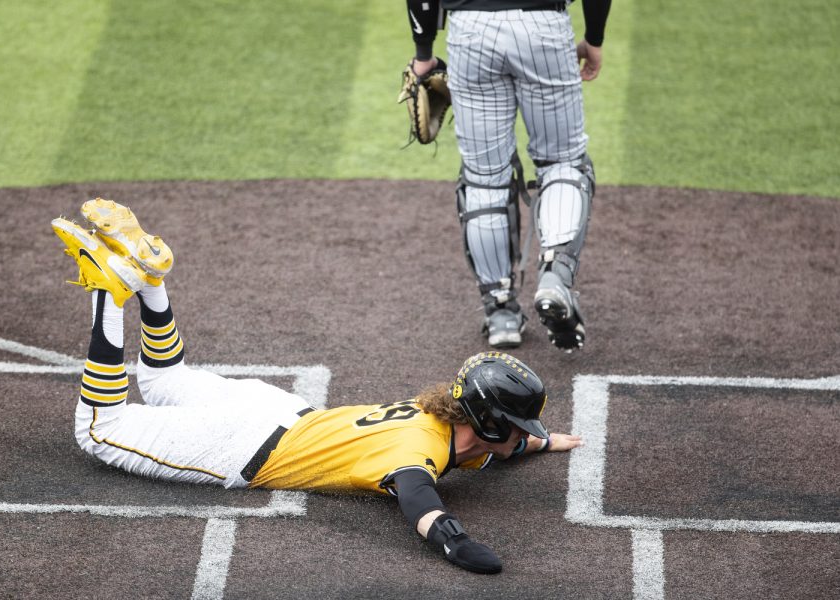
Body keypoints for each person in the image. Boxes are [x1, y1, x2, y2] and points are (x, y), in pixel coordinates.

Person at [51, 199, 584, 574]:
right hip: (240, 445)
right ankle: (107, 290)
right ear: (488, 423)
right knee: (98, 428)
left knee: (164, 380)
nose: (520, 436)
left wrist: (543, 440)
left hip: (269, 409)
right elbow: (424, 509)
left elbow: (495, 450)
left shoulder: (445, 419)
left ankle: (151, 280)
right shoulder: (414, 454)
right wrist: (461, 547)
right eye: (515, 428)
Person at [404, 0, 612, 351]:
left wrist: (424, 50)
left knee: (484, 175)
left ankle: (500, 310)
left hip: (470, 31)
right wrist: (594, 37)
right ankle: (554, 276)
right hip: (543, 26)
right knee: (562, 162)